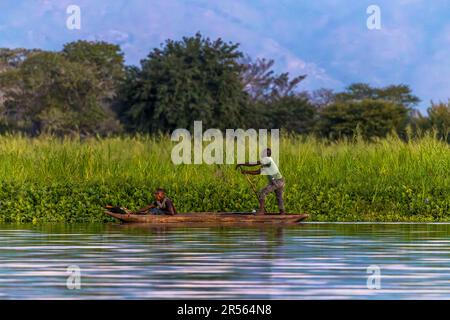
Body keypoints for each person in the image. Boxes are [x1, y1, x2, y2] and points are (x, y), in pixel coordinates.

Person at [237, 148, 285, 215]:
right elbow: (258, 172)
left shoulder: (267, 159)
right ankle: (282, 213)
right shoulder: (267, 163)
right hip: (280, 181)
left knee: (263, 192)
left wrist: (241, 163)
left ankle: (261, 211)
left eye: (263, 153)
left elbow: (255, 163)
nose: (261, 154)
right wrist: (246, 171)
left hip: (277, 181)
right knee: (279, 197)